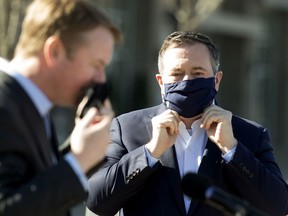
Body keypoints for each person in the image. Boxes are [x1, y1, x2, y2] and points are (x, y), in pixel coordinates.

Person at [86, 31, 288, 216]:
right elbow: (96, 201)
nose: (186, 81)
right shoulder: (128, 129)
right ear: (161, 82)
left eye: (198, 73)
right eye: (176, 74)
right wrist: (149, 152)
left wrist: (232, 149)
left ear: (216, 80)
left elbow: (278, 205)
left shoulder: (250, 135)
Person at [0, 0, 122, 215]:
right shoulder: (5, 104)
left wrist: (81, 151)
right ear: (55, 51)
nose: (101, 79)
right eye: (96, 65)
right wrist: (78, 161)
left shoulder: (28, 103)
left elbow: (31, 182)